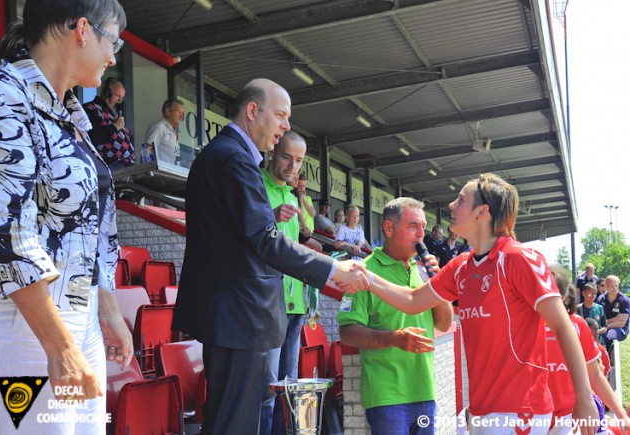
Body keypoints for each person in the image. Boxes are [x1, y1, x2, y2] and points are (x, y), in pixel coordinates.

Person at [172, 78, 368, 434]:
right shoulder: (234, 158)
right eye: (280, 115)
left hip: (233, 315)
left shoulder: (223, 154)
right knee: (235, 424)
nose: (286, 126)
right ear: (252, 111)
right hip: (240, 317)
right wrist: (332, 268)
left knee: (227, 420)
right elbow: (264, 239)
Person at [344, 173, 599, 434]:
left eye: (461, 200)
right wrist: (365, 276)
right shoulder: (460, 266)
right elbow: (411, 300)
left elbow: (562, 326)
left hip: (520, 412)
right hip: (479, 412)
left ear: (481, 212)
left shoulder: (519, 257)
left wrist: (584, 398)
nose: (451, 206)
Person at [0, 1, 133, 433]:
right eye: (115, 41)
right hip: (28, 328)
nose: (113, 58)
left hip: (79, 322)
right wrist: (59, 346)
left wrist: (107, 312)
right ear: (82, 29)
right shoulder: (3, 95)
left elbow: (93, 229)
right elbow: (7, 231)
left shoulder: (73, 115)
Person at [338, 197, 453, 435]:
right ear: (388, 228)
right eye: (413, 226)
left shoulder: (424, 270)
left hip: (425, 391)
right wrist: (395, 338)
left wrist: (438, 282)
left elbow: (444, 322)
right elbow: (347, 332)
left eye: (423, 227)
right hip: (387, 397)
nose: (421, 234)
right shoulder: (363, 272)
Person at [259, 130, 308, 435]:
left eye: (299, 161)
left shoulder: (291, 195)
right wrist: (272, 218)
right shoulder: (256, 187)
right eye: (287, 157)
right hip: (269, 304)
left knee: (288, 387)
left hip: (296, 302)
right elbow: (245, 237)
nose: (292, 166)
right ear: (274, 153)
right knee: (266, 391)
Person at [545, 267, 630, 435]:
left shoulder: (577, 325)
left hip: (568, 418)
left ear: (562, 297)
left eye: (549, 290)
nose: (542, 294)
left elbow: (595, 375)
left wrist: (621, 415)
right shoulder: (523, 325)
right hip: (532, 418)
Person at [83, 76, 134, 170]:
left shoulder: (114, 113)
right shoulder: (91, 109)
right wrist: (114, 126)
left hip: (126, 164)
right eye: (118, 96)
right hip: (109, 165)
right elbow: (92, 138)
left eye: (122, 98)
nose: (120, 101)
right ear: (107, 93)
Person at [145, 98, 184, 165]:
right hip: (160, 174)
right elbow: (147, 151)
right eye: (179, 112)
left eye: (183, 114)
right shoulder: (159, 127)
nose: (181, 116)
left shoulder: (174, 133)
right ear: (168, 111)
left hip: (171, 173)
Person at [598, 275, 629, 353]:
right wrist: (615, 319)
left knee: (608, 337)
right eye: (612, 286)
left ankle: (608, 360)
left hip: (620, 329)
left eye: (616, 285)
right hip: (604, 326)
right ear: (606, 286)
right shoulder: (601, 299)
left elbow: (621, 323)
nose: (615, 288)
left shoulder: (624, 300)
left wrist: (605, 325)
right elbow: (598, 317)